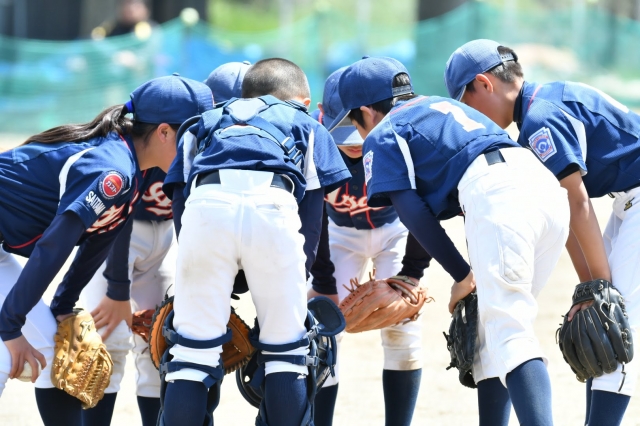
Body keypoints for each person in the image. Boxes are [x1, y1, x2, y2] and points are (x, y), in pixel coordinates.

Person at [329, 56, 570, 426]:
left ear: (365, 111)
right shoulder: (439, 106)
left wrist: (462, 275)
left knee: (510, 334)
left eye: (353, 122)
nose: (357, 132)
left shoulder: (382, 131)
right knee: (491, 333)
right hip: (542, 188)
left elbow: (411, 210)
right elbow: (427, 208)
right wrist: (420, 272)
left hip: (497, 192)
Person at [444, 39, 640, 426]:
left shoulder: (540, 119)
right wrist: (591, 287)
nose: (470, 114)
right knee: (601, 323)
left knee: (614, 326)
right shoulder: (542, 104)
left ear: (484, 83)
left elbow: (577, 203)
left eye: (466, 101)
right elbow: (565, 214)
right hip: (628, 202)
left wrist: (600, 288)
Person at [0, 73, 212, 426]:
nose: (199, 148)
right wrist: (10, 326)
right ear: (164, 132)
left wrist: (63, 307)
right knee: (10, 353)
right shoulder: (113, 170)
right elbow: (53, 246)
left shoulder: (133, 169)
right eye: (193, 136)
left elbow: (98, 240)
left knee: (53, 347)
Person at [159, 58, 351, 426]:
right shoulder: (306, 123)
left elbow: (181, 200)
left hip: (206, 207)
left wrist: (201, 271)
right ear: (302, 100)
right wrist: (294, 278)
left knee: (192, 356)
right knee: (286, 353)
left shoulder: (202, 122)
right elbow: (312, 217)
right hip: (274, 207)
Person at [78, 63, 248, 426]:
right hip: (112, 242)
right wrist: (117, 289)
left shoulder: (211, 146)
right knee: (103, 349)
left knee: (158, 347)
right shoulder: (149, 144)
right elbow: (117, 219)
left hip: (163, 244)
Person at [307, 67, 431, 426]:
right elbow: (313, 220)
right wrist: (324, 281)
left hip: (395, 231)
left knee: (403, 327)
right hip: (338, 235)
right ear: (323, 113)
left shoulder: (401, 136)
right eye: (342, 128)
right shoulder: (314, 139)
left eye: (357, 126)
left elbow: (425, 210)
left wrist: (412, 273)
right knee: (323, 330)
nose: (353, 140)